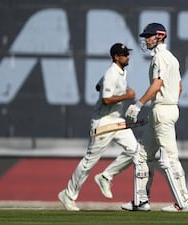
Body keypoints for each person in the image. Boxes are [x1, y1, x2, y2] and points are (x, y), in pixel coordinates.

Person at [58, 43, 149, 211]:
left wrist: (122, 91)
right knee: (89, 162)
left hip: (116, 120)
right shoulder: (111, 73)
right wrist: (126, 95)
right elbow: (106, 99)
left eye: (127, 54)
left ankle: (106, 177)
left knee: (136, 151)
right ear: (116, 57)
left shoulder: (121, 72)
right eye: (124, 55)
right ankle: (68, 194)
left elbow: (98, 86)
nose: (128, 57)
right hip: (103, 122)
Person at [122, 23, 188, 212]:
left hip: (162, 110)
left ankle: (183, 202)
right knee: (142, 155)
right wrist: (165, 106)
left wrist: (138, 105)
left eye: (149, 36)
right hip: (164, 109)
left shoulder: (161, 57)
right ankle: (141, 201)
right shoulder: (172, 58)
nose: (146, 39)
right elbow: (179, 87)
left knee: (169, 158)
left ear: (160, 36)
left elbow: (157, 84)